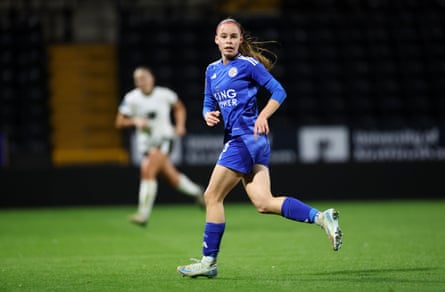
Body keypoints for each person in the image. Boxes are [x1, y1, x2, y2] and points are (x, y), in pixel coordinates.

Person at [177, 18, 343, 278]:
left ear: (240, 40)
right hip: (250, 142)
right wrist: (207, 113)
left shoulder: (249, 65)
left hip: (244, 139)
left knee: (212, 197)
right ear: (216, 40)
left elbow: (279, 91)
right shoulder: (211, 70)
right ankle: (321, 217)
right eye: (224, 36)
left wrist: (263, 115)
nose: (229, 41)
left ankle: (209, 262)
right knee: (264, 203)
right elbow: (209, 100)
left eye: (234, 36)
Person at [116, 66, 204, 226]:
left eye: (144, 78)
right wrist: (134, 121)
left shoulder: (164, 94)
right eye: (138, 79)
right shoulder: (131, 98)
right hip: (146, 145)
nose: (141, 82)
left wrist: (180, 125)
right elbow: (119, 121)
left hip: (164, 139)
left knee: (147, 170)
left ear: (152, 79)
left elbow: (179, 107)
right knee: (173, 178)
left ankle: (143, 215)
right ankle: (198, 192)